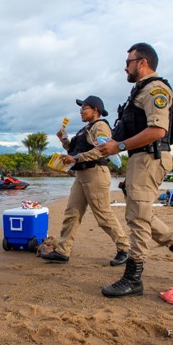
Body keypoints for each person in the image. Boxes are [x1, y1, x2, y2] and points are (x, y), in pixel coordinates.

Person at [98, 43, 173, 298]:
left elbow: (158, 130)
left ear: (143, 62)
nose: (125, 66)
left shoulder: (156, 89)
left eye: (129, 61)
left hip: (150, 157)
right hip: (141, 158)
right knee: (141, 213)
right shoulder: (140, 91)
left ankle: (133, 278)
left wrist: (120, 145)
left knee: (137, 218)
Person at [41, 95, 131, 266]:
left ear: (95, 110)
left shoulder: (101, 126)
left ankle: (125, 248)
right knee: (72, 213)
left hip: (95, 173)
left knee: (103, 215)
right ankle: (62, 251)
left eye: (84, 108)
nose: (81, 111)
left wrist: (76, 158)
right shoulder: (85, 129)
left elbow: (102, 150)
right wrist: (64, 140)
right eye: (81, 108)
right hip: (81, 175)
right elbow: (72, 149)